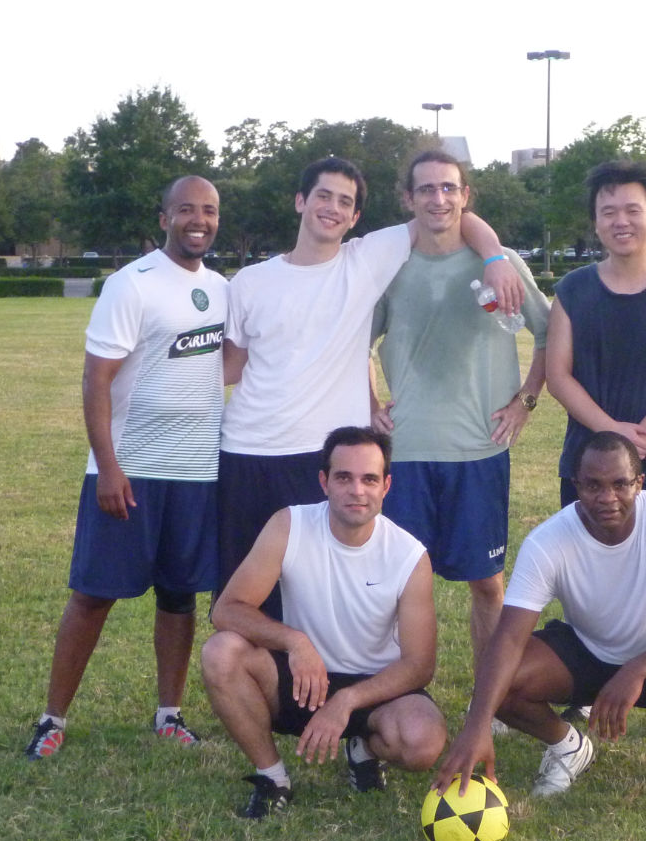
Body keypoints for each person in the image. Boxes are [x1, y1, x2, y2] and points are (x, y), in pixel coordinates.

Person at [219, 157, 523, 623]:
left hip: (325, 459)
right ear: (301, 201)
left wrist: (496, 257)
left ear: (356, 217)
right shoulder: (250, 282)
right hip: (248, 453)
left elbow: (447, 211)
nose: (332, 208)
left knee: (323, 597)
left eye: (345, 202)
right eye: (323, 195)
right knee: (244, 600)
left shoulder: (367, 258)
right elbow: (230, 367)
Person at [25, 176, 226, 760]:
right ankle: (52, 718)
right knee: (93, 594)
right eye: (186, 209)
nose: (198, 220)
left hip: (197, 473)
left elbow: (225, 365)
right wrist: (110, 468)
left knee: (180, 596)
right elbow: (97, 380)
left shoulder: (221, 289)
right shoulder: (130, 283)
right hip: (130, 472)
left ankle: (169, 714)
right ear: (164, 217)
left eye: (209, 211)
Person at [431, 431, 646, 811]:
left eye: (620, 484)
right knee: (503, 677)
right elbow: (507, 640)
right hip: (585, 652)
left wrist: (635, 671)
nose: (607, 497)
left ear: (639, 483)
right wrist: (476, 726)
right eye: (593, 485)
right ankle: (568, 747)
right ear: (576, 485)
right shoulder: (549, 540)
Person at [369, 149, 550, 689]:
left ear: (465, 195)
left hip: (479, 449)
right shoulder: (390, 266)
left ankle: (489, 698)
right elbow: (356, 339)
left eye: (449, 188)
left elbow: (548, 331)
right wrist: (369, 403)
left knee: (488, 585)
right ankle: (400, 694)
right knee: (398, 585)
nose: (438, 198)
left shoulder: (501, 262)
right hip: (410, 449)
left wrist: (526, 399)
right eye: (426, 189)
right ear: (408, 198)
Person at [201, 426, 446, 818]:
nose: (356, 490)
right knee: (221, 652)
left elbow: (420, 665)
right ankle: (273, 777)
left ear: (386, 486)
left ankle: (363, 749)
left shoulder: (409, 556)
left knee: (422, 741)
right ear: (324, 482)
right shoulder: (290, 525)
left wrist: (347, 700)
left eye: (369, 479)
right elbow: (227, 609)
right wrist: (295, 642)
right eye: (343, 477)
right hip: (301, 680)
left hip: (373, 687)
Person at [546, 159, 646, 509]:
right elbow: (558, 376)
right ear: (596, 221)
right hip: (588, 469)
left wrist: (637, 440)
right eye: (608, 212)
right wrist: (612, 434)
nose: (621, 221)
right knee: (588, 564)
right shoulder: (572, 291)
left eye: (633, 210)